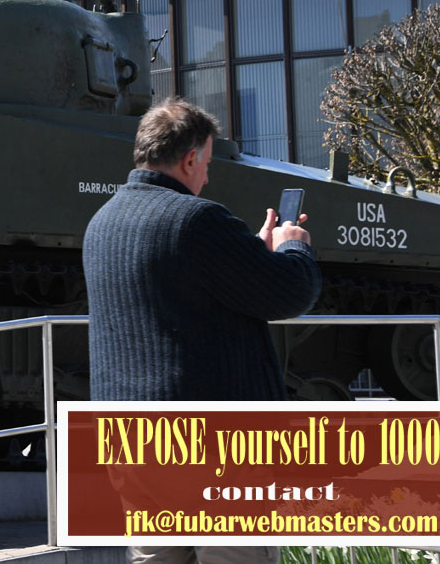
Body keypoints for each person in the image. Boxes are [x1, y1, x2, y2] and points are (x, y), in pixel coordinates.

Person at [84, 98, 321, 564]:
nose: (208, 177)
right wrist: (293, 248)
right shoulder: (196, 219)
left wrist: (248, 254)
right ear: (190, 158)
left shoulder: (101, 223)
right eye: (207, 163)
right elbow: (290, 294)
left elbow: (183, 289)